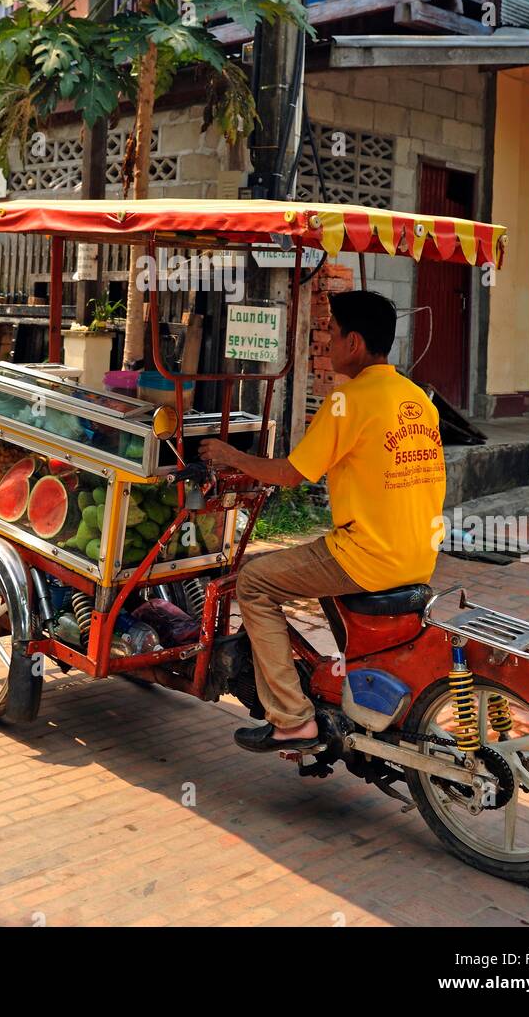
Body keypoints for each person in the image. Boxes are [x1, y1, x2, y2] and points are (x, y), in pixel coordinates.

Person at [199, 289, 446, 754]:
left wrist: (230, 455)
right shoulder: (418, 398)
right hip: (418, 554)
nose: (327, 343)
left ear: (353, 342)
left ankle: (291, 720)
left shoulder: (348, 400)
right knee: (316, 561)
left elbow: (291, 474)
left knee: (253, 581)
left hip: (367, 557)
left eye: (331, 334)